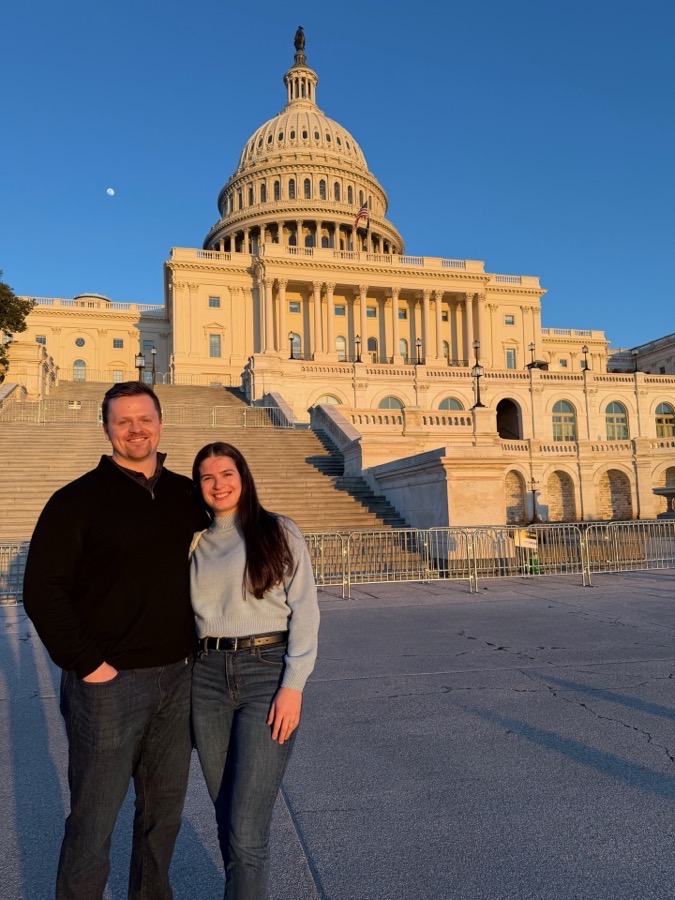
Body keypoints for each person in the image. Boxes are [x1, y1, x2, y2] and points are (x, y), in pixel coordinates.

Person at [23, 381, 207, 900]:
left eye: (144, 419)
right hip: (108, 684)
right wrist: (88, 664)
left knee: (162, 817)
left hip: (178, 678)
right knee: (93, 820)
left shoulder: (183, 495)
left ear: (160, 424)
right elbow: (42, 590)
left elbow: (236, 525)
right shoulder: (75, 500)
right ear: (106, 429)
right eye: (123, 421)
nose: (135, 430)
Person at [190, 441, 320, 900]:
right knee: (226, 817)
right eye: (207, 477)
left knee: (246, 827)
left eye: (227, 473)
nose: (218, 484)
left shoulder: (278, 530)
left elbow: (305, 611)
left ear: (243, 477)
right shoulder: (194, 542)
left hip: (266, 673)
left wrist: (293, 685)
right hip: (206, 677)